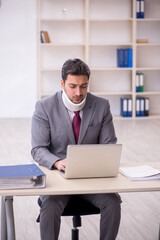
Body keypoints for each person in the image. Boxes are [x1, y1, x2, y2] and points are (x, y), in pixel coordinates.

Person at [31, 58, 121, 240]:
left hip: (92, 178)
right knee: (49, 204)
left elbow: (109, 145)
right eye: (72, 86)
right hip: (59, 178)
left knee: (112, 202)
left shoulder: (101, 106)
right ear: (62, 83)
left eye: (83, 86)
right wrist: (56, 162)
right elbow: (38, 149)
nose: (78, 92)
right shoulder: (45, 107)